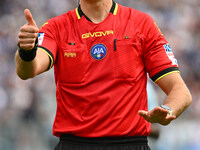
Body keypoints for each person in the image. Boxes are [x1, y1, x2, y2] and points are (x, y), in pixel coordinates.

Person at [15, 0, 192, 150]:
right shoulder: (56, 27)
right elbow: (28, 70)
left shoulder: (142, 24)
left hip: (131, 144)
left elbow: (180, 92)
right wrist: (26, 51)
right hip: (74, 144)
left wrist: (168, 110)